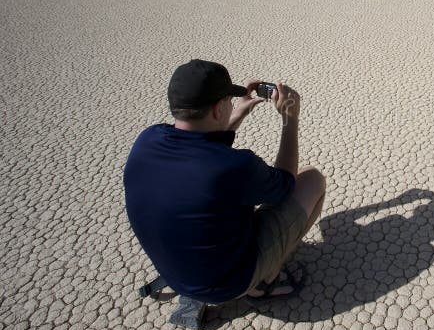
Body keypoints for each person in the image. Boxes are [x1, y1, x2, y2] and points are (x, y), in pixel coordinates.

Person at [123, 59, 326, 304]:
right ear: (219, 109)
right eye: (229, 102)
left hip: (178, 274)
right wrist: (289, 119)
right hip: (226, 285)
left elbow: (201, 146)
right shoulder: (234, 167)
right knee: (312, 180)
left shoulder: (147, 140)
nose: (232, 105)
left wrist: (239, 113)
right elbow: (285, 183)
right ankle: (265, 281)